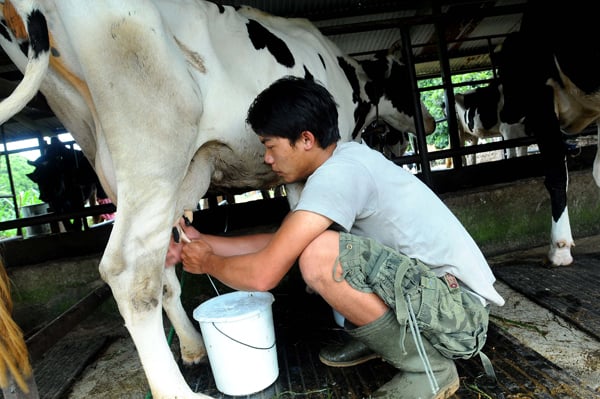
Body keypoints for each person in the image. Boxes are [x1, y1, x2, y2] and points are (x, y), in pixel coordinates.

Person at [166, 76, 505, 399]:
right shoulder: (342, 162)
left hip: (460, 318)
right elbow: (283, 240)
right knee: (312, 247)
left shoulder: (339, 176)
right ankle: (384, 340)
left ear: (306, 140)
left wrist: (208, 262)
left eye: (269, 146)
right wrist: (205, 243)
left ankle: (430, 368)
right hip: (441, 302)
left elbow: (263, 275)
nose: (267, 159)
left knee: (319, 257)